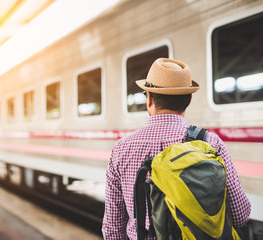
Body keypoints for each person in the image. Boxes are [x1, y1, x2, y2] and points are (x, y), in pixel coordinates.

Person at [102, 58, 251, 240]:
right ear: (189, 99)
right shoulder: (210, 143)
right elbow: (240, 215)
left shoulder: (122, 148)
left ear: (149, 98)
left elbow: (113, 228)